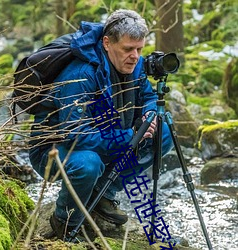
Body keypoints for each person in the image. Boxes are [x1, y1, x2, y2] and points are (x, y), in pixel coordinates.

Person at [29, 9, 174, 241]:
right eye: (128, 49)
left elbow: (147, 96)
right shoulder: (80, 75)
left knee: (163, 132)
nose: (135, 56)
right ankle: (64, 222)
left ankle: (103, 194)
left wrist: (150, 114)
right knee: (88, 164)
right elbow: (75, 134)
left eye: (140, 49)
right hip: (55, 149)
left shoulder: (133, 64)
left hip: (108, 136)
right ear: (107, 43)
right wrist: (131, 135)